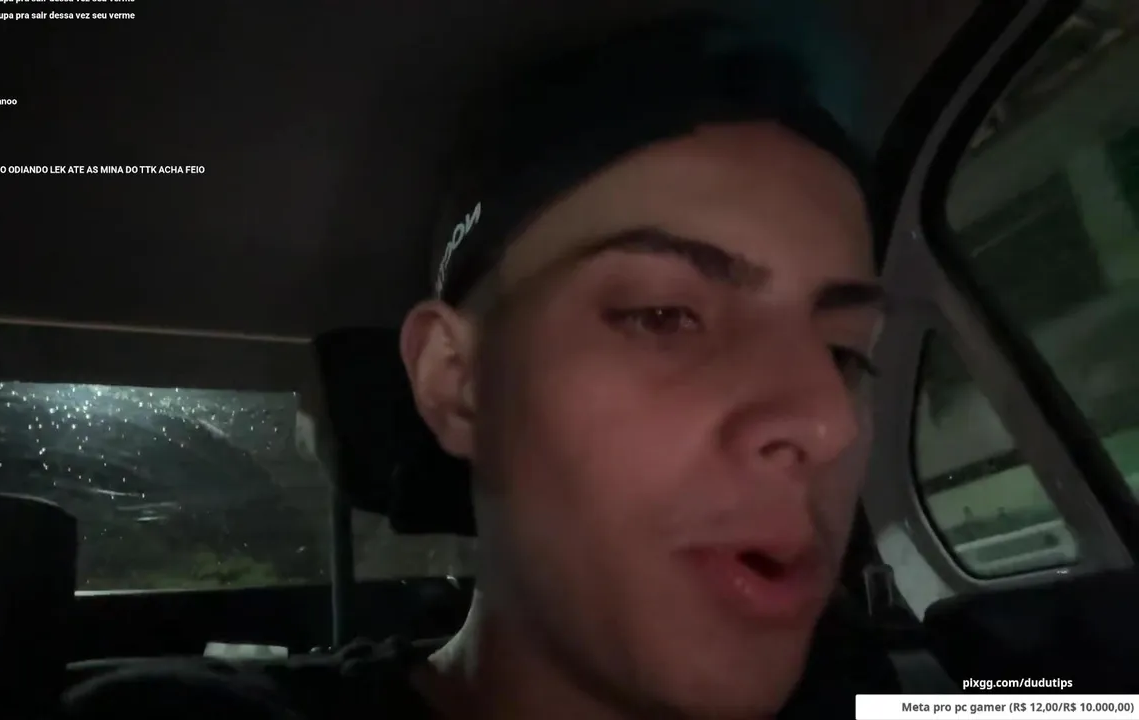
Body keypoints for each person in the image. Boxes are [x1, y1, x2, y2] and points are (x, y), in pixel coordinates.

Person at [63, 8, 886, 720]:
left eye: (845, 352)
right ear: (456, 384)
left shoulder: (873, 688)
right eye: (664, 317)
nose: (828, 420)